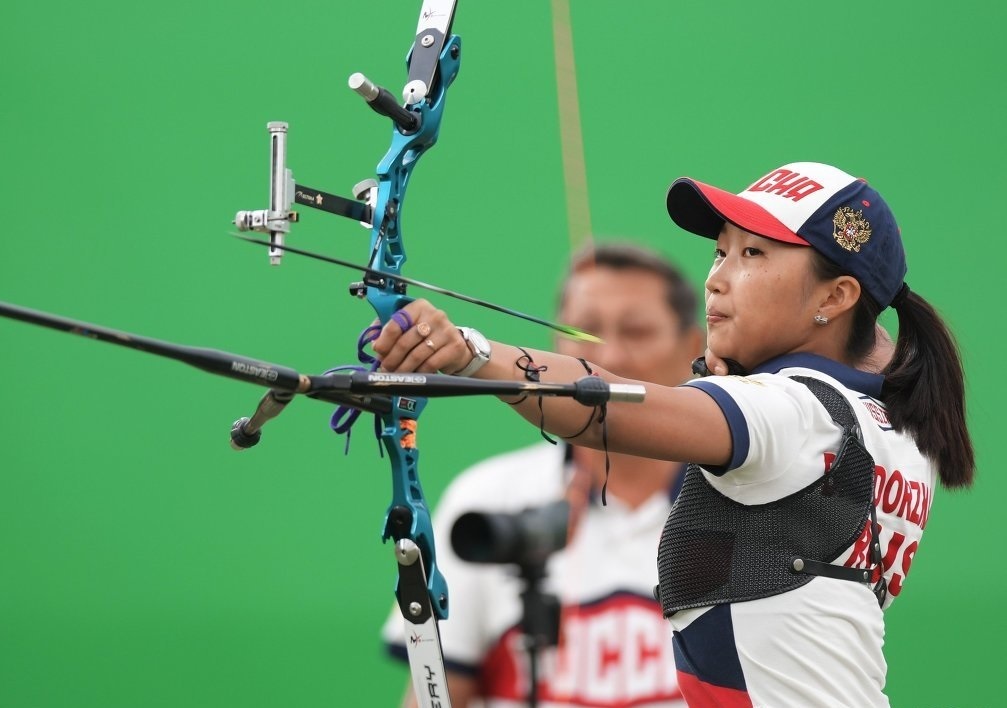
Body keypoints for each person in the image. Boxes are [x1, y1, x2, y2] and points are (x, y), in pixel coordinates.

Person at [372, 162, 974, 707]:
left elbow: (609, 406)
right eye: (721, 251)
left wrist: (471, 353)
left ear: (836, 296)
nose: (717, 279)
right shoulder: (885, 417)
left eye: (755, 256)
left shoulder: (791, 412)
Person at [382, 243, 705, 708]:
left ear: (692, 348)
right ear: (556, 349)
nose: (609, 356)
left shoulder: (743, 504)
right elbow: (434, 694)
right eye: (585, 332)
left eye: (637, 331)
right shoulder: (489, 497)